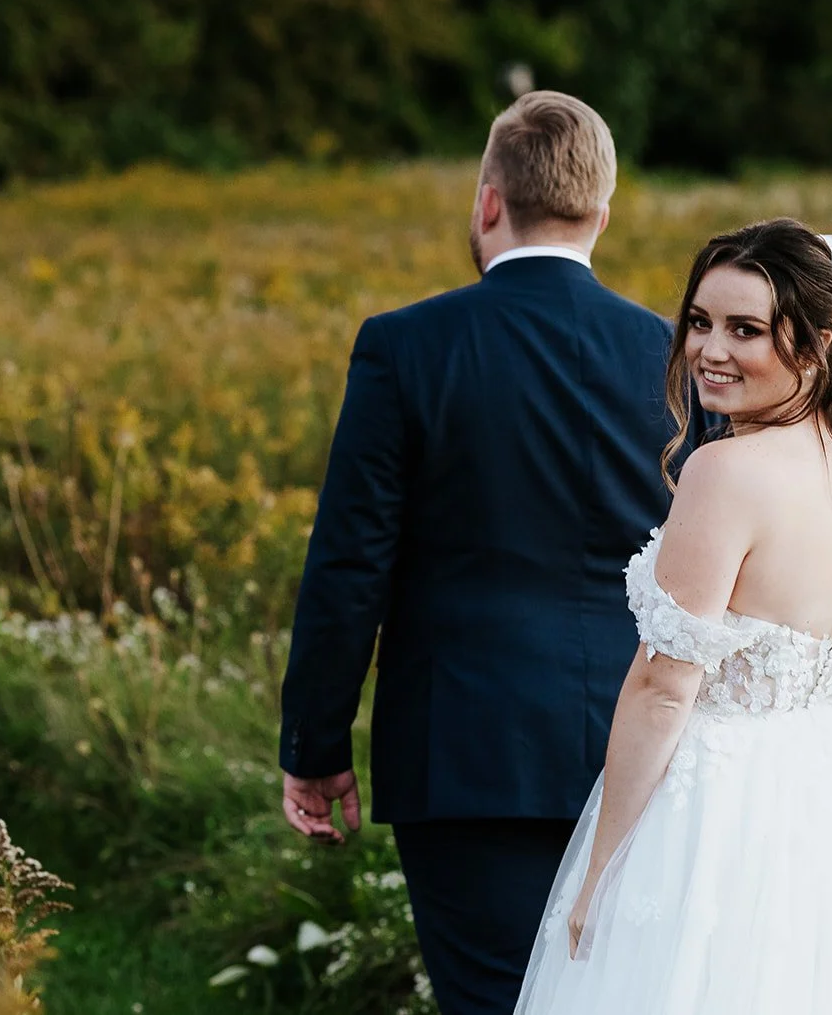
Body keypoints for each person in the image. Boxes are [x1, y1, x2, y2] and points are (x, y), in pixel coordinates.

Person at [277, 91, 710, 1015]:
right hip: (647, 749)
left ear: (487, 202)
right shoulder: (675, 359)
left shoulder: (404, 347)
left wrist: (316, 743)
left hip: (463, 754)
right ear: (602, 213)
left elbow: (353, 563)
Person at [514, 219, 832, 1015]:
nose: (709, 350)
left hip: (717, 811)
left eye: (746, 329)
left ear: (818, 342)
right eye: (699, 322)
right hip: (831, 801)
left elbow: (665, 688)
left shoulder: (725, 472)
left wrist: (601, 870)